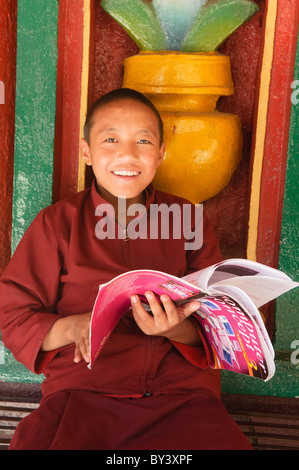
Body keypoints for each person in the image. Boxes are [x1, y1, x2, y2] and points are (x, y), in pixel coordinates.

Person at [0, 88, 252, 450]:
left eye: (144, 141)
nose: (128, 154)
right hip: (82, 394)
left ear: (161, 153)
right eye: (111, 139)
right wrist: (74, 325)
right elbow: (13, 315)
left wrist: (176, 329)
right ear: (86, 151)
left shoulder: (188, 220)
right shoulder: (58, 224)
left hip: (182, 398)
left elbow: (220, 327)